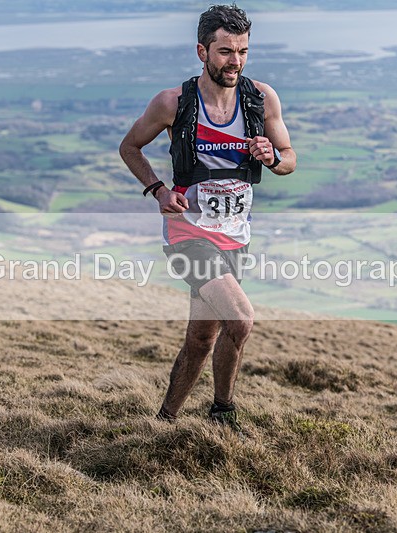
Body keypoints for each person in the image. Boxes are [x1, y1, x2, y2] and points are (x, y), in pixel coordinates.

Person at [119, 3, 296, 431]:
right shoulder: (172, 103)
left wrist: (273, 158)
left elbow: (289, 159)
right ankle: (223, 413)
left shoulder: (261, 99)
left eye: (242, 51)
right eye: (224, 52)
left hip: (235, 235)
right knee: (241, 318)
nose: (234, 61)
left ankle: (164, 421)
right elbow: (130, 147)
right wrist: (158, 189)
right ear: (202, 51)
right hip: (187, 232)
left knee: (202, 339)